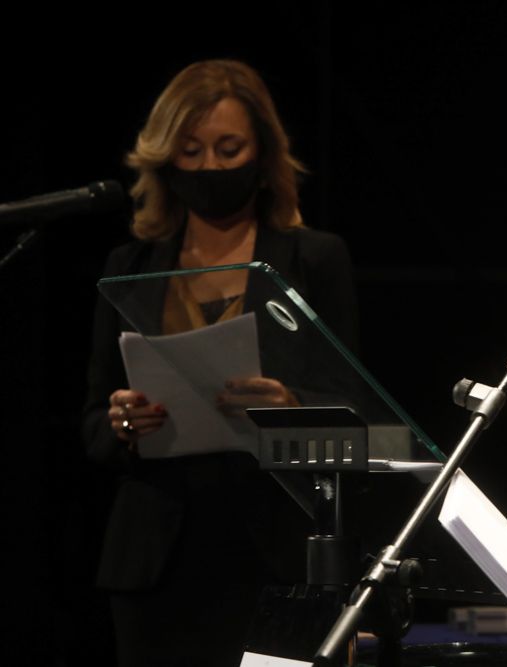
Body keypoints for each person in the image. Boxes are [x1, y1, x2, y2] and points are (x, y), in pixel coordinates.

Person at [81, 60, 359, 667]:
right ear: (164, 159)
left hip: (274, 557)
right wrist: (122, 423)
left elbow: (358, 420)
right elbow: (93, 427)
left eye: (228, 148)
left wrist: (289, 409)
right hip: (156, 565)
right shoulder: (129, 266)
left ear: (262, 153)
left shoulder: (313, 259)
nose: (209, 168)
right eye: (190, 150)